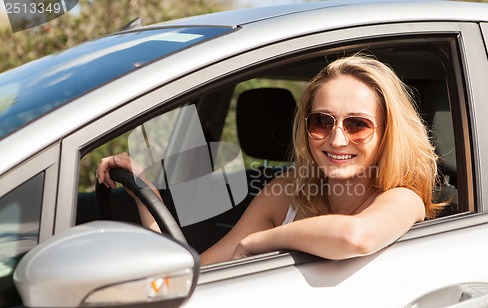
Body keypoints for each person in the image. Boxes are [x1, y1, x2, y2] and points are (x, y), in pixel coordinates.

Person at [96, 55, 444, 266]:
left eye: (358, 125)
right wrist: (147, 193)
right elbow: (200, 273)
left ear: (387, 133)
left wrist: (258, 242)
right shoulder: (287, 191)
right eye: (321, 121)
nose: (337, 139)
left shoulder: (402, 198)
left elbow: (356, 237)